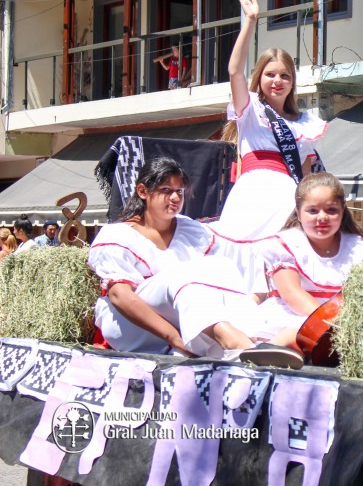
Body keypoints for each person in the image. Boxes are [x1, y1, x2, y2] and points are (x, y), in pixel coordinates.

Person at [87, 157, 299, 367]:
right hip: (132, 327)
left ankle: (253, 345)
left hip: (185, 320)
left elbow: (233, 261)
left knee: (219, 267)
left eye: (179, 192)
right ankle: (237, 343)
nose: (175, 198)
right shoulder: (116, 235)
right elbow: (119, 296)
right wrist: (174, 338)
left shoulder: (192, 230)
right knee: (187, 278)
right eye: (166, 190)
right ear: (143, 191)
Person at [211, 0, 327, 293]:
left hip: (288, 198)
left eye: (285, 75)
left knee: (281, 268)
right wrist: (250, 21)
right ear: (260, 78)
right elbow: (234, 70)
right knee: (241, 265)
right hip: (253, 195)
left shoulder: (305, 124)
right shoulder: (250, 109)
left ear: (293, 83)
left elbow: (304, 175)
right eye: (270, 74)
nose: (277, 81)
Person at [256, 173, 363, 357]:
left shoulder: (358, 248)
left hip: (343, 322)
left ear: (343, 210)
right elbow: (292, 295)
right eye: (312, 210)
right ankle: (270, 351)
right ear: (299, 212)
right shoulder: (286, 244)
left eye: (331, 210)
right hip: (295, 316)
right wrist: (328, 324)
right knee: (295, 333)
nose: (322, 217)